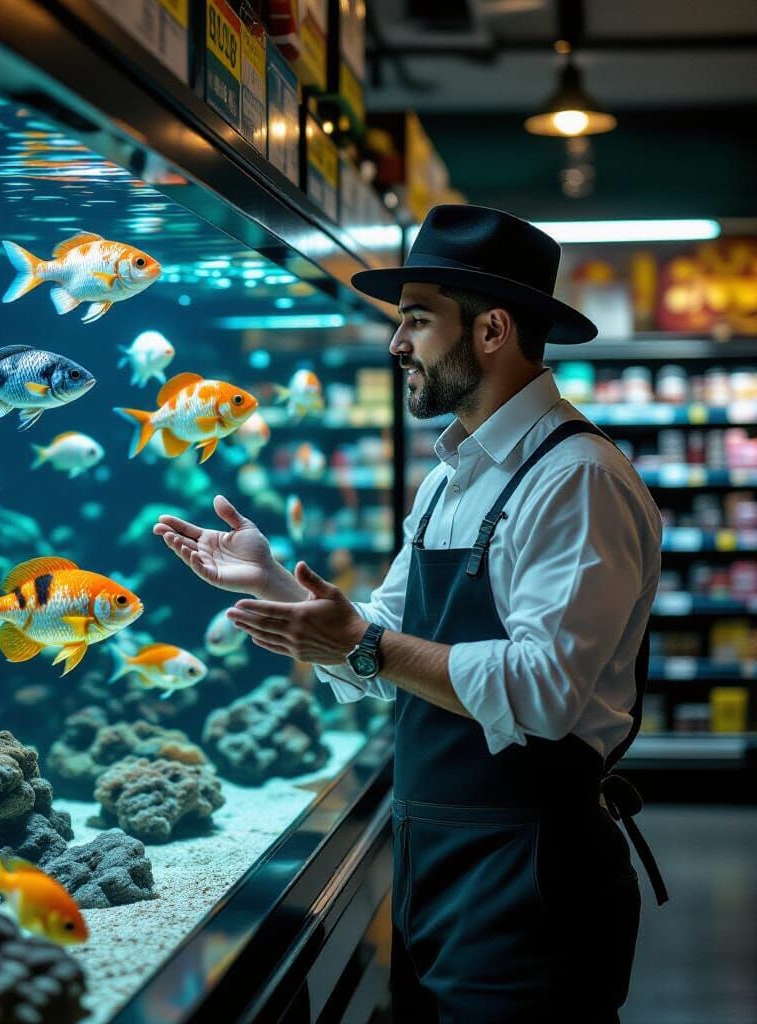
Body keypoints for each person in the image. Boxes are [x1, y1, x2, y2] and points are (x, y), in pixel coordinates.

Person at [153, 204, 667, 1023]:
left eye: (418, 321)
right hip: (432, 859)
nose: (397, 345)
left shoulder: (578, 481)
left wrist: (365, 644)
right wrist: (278, 583)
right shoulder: (449, 481)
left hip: (532, 870)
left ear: (492, 329)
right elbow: (381, 643)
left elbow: (544, 693)